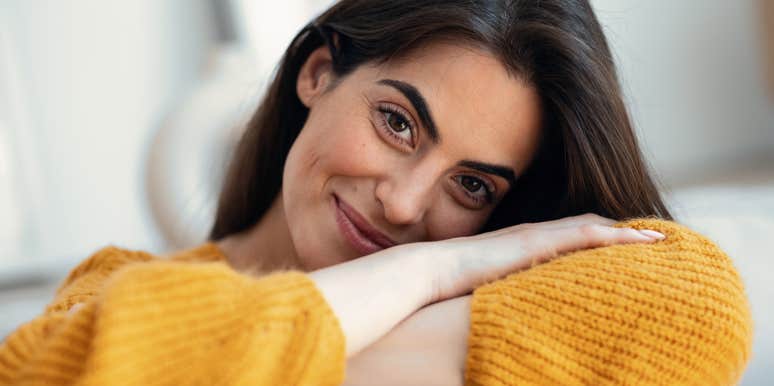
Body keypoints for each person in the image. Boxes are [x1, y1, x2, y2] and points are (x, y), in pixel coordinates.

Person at [0, 1, 752, 385]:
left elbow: (701, 305)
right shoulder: (107, 290)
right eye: (398, 122)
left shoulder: (500, 307)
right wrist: (427, 270)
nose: (403, 204)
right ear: (318, 74)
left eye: (472, 184)